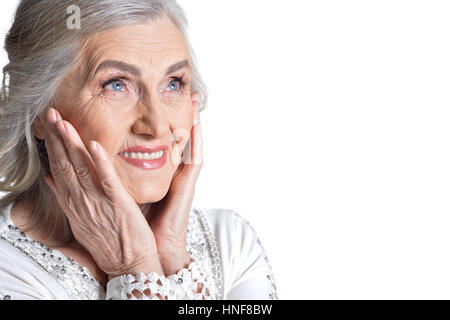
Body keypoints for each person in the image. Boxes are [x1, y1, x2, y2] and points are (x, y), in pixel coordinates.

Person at [0, 0, 278, 300]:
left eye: (174, 83)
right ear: (39, 108)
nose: (157, 126)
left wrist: (170, 254)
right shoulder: (9, 271)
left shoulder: (230, 243)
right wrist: (133, 267)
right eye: (116, 84)